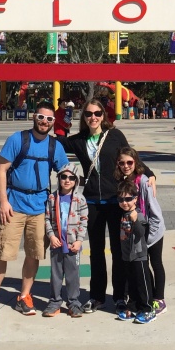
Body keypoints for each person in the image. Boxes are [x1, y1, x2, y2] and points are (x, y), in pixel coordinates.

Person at [0, 102, 70, 316]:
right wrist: (3, 201)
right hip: (14, 205)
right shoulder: (17, 139)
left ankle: (24, 296)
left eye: (49, 119)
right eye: (41, 117)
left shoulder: (55, 146)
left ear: (53, 122)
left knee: (34, 253)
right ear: (33, 117)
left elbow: (66, 173)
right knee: (3, 251)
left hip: (40, 208)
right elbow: (2, 170)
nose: (44, 122)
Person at [63, 99, 135, 315]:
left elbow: (130, 158)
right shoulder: (79, 140)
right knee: (96, 251)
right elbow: (56, 144)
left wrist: (148, 174)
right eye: (88, 114)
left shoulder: (115, 135)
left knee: (118, 250)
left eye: (97, 113)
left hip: (116, 200)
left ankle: (120, 296)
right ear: (83, 117)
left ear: (103, 115)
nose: (93, 117)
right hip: (92, 201)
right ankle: (97, 297)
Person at [114, 146, 166, 315]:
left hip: (152, 230)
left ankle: (159, 299)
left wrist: (149, 237)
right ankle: (147, 297)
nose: (126, 166)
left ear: (136, 162)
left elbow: (155, 213)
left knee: (155, 263)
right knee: (141, 265)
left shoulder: (144, 182)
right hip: (136, 231)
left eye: (129, 162)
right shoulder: (122, 181)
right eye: (122, 163)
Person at [42, 164, 88, 318]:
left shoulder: (80, 199)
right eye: (64, 177)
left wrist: (79, 240)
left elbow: (84, 221)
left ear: (76, 181)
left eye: (71, 178)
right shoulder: (52, 198)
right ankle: (54, 302)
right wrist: (51, 236)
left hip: (73, 244)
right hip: (57, 243)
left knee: (72, 275)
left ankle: (74, 303)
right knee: (55, 274)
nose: (67, 180)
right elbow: (47, 219)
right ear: (59, 178)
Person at [116, 180, 156, 324]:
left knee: (142, 283)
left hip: (139, 255)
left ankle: (148, 309)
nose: (124, 202)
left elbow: (141, 233)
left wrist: (135, 221)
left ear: (135, 199)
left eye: (128, 199)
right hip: (127, 256)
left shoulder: (137, 215)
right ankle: (133, 307)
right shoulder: (123, 214)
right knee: (131, 283)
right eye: (121, 199)